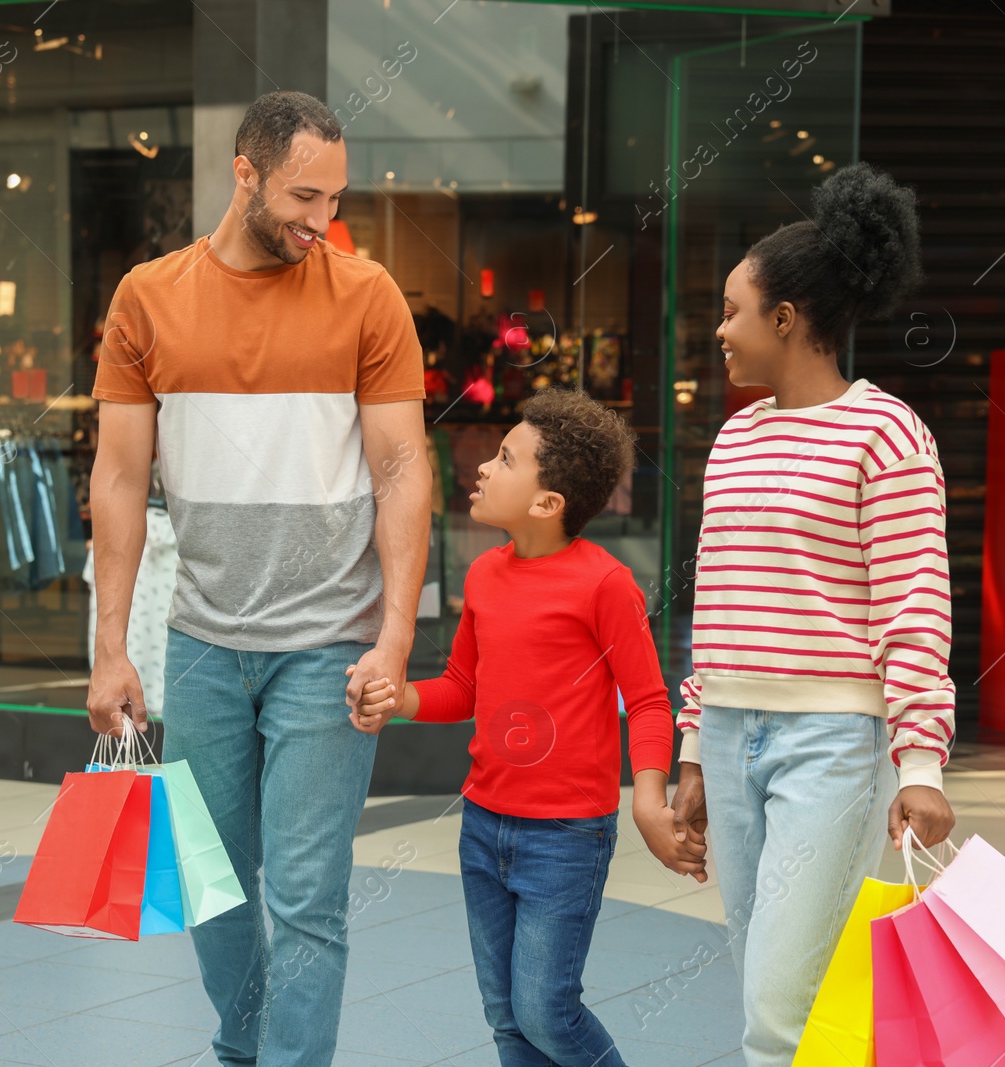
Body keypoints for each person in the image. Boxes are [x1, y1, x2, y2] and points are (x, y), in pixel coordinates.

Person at [86, 89, 430, 1066]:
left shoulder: (366, 296)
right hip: (199, 641)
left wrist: (394, 637)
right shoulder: (148, 297)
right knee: (208, 879)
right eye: (303, 197)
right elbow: (116, 477)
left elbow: (404, 470)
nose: (322, 222)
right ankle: (244, 1043)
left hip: (328, 649)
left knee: (307, 895)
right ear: (244, 174)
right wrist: (111, 648)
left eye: (335, 198)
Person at [668, 161, 957, 1066]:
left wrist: (920, 762)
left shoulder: (888, 435)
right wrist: (692, 744)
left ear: (786, 320)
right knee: (771, 979)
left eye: (732, 309)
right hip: (730, 732)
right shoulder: (735, 437)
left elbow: (914, 608)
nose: (719, 329)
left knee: (778, 1007)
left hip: (832, 743)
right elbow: (714, 604)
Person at [351, 389, 703, 1067]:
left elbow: (651, 700)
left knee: (547, 1009)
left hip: (566, 838)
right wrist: (397, 701)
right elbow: (463, 688)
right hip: (482, 826)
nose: (483, 467)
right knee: (507, 1019)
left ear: (547, 504)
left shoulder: (606, 585)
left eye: (505, 458)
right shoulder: (484, 575)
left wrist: (649, 795)